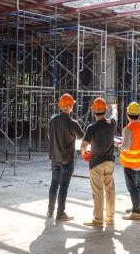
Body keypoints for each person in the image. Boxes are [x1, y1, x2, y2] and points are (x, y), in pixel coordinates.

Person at [80, 98, 118, 227]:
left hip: (96, 163)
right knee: (110, 190)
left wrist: (84, 153)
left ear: (93, 111)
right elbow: (115, 116)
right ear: (104, 110)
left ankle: (98, 219)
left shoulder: (92, 127)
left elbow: (84, 145)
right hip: (110, 162)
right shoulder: (111, 123)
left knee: (98, 191)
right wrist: (115, 107)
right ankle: (110, 217)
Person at [48, 93, 84, 222]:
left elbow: (50, 136)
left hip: (54, 158)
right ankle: (60, 213)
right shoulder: (71, 122)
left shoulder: (53, 120)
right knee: (63, 186)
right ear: (70, 107)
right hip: (66, 160)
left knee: (54, 184)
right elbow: (82, 137)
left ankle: (50, 211)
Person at [118, 101, 140, 220]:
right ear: (139, 114)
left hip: (130, 163)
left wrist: (119, 145)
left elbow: (125, 147)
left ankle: (136, 211)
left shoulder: (128, 129)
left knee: (132, 188)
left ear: (127, 114)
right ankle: (137, 207)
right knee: (138, 186)